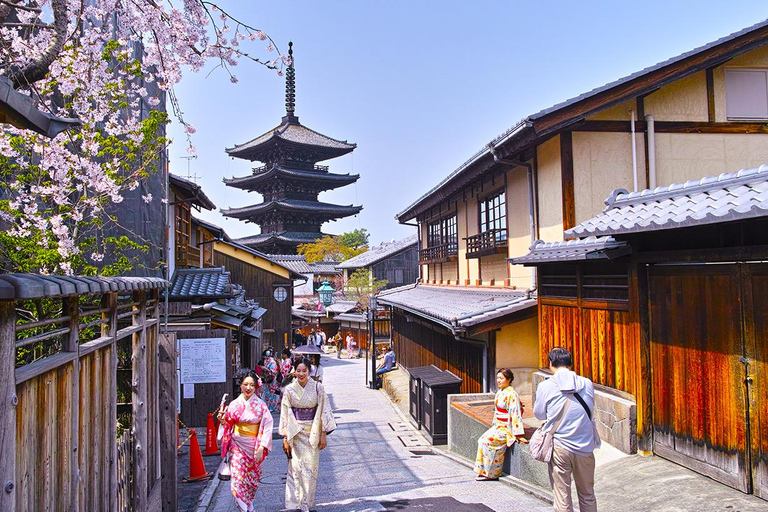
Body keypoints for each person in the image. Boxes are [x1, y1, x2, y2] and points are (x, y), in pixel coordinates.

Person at [534, 347, 598, 512]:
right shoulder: (587, 383)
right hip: (585, 445)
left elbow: (540, 414)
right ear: (570, 363)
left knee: (562, 497)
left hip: (561, 446)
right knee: (587, 494)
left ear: (551, 364)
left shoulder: (546, 386)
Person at [279, 358, 336, 512]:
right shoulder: (289, 389)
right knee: (295, 468)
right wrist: (285, 437)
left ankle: (306, 504)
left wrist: (323, 433)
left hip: (313, 432)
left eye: (304, 370)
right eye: (299, 370)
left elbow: (323, 410)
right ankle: (295, 503)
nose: (301, 373)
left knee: (310, 469)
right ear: (294, 371)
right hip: (295, 432)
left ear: (309, 371)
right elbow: (285, 413)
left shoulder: (318, 387)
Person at [218, 370, 273, 512]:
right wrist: (222, 421)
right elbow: (228, 425)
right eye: (245, 384)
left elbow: (267, 426)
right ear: (240, 385)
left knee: (251, 482)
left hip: (254, 447)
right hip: (237, 446)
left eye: (252, 385)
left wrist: (262, 447)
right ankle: (244, 509)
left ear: (256, 387)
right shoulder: (234, 404)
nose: (248, 388)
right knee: (237, 481)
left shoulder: (261, 405)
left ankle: (249, 506)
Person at [474, 368, 527, 481]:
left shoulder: (512, 394)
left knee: (487, 441)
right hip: (499, 425)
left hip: (506, 427)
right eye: (497, 378)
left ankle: (491, 473)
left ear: (509, 379)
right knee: (482, 440)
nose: (498, 380)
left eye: (501, 378)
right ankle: (486, 471)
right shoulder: (500, 392)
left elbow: (515, 413)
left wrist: (518, 434)